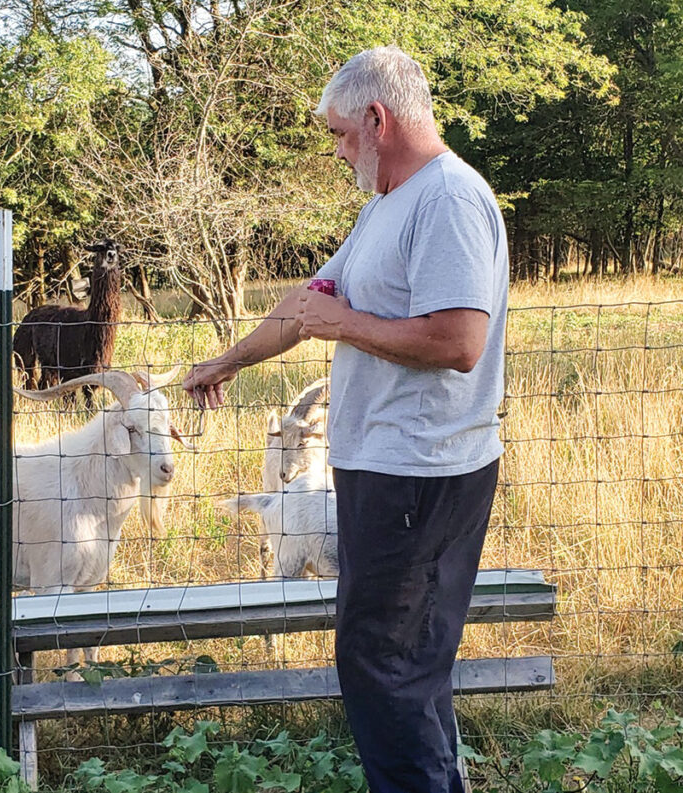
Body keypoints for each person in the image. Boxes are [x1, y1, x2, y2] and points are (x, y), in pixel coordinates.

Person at [183, 45, 508, 793]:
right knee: (397, 669)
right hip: (383, 474)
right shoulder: (386, 205)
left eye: (338, 134)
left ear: (377, 117)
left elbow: (459, 340)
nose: (336, 151)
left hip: (421, 478)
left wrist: (347, 323)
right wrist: (226, 363)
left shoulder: (448, 201)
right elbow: (308, 307)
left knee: (387, 672)